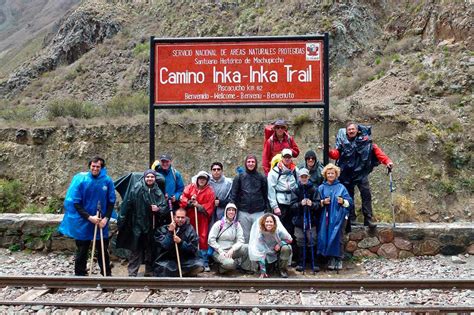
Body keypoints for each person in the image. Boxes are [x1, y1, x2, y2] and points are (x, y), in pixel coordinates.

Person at [59, 156, 116, 276]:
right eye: (93, 166)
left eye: (98, 166)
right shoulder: (81, 180)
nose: (95, 168)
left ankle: (106, 275)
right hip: (84, 220)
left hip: (101, 220)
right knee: (82, 250)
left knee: (102, 250)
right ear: (90, 166)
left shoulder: (107, 181)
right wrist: (90, 218)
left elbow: (111, 202)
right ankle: (80, 275)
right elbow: (76, 203)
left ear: (102, 168)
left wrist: (105, 219)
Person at [329, 122, 393, 228]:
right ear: (346, 132)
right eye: (349, 129)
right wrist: (329, 151)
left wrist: (387, 162)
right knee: (348, 197)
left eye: (353, 129)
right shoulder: (343, 143)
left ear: (357, 130)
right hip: (347, 174)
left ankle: (368, 219)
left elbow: (378, 152)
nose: (351, 131)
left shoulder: (366, 142)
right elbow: (336, 155)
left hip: (362, 173)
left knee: (366, 194)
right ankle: (350, 218)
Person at [116, 169, 168, 277]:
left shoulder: (158, 191)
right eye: (148, 177)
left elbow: (164, 207)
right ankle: (132, 273)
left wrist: (158, 209)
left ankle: (149, 271)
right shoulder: (136, 188)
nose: (150, 179)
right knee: (135, 250)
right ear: (144, 178)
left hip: (151, 225)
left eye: (152, 177)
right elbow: (126, 204)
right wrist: (121, 221)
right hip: (137, 225)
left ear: (155, 178)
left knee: (150, 249)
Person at [317, 163, 352, 270]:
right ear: (325, 175)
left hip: (339, 218)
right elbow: (316, 203)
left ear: (336, 174)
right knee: (327, 237)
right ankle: (331, 258)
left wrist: (343, 201)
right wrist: (323, 202)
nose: (331, 175)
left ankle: (339, 258)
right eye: (329, 173)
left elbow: (350, 203)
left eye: (332, 173)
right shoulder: (321, 188)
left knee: (339, 237)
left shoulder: (341, 187)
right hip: (326, 218)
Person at [180, 171, 215, 271]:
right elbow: (183, 198)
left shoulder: (209, 191)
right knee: (189, 237)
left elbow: (210, 205)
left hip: (202, 218)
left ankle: (204, 261)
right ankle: (189, 260)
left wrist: (199, 206)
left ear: (207, 180)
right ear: (197, 179)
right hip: (189, 217)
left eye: (204, 179)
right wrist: (189, 203)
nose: (202, 180)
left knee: (202, 238)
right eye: (200, 178)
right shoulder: (190, 187)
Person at [153, 208, 204, 277]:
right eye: (178, 217)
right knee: (163, 268)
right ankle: (181, 273)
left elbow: (193, 249)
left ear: (185, 218)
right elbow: (164, 246)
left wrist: (181, 242)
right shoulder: (164, 229)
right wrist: (170, 233)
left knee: (199, 264)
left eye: (182, 217)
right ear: (174, 217)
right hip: (168, 259)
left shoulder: (190, 229)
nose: (180, 219)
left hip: (185, 260)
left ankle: (180, 272)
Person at [230, 154, 269, 243]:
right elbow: (234, 194)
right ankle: (245, 256)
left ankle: (257, 256)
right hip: (243, 211)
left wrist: (267, 209)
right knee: (245, 236)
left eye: (253, 162)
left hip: (259, 211)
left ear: (256, 163)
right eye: (249, 162)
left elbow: (265, 194)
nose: (251, 164)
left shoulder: (262, 177)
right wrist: (233, 209)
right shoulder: (239, 177)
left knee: (258, 236)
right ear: (245, 163)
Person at [290, 168, 321, 272]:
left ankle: (315, 262)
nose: (303, 178)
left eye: (305, 176)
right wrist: (300, 204)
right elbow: (292, 206)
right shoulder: (295, 189)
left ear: (308, 177)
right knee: (300, 240)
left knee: (312, 239)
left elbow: (318, 205)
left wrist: (312, 204)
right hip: (299, 220)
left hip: (311, 219)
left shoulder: (314, 189)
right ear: (299, 177)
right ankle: (300, 262)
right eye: (301, 176)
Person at [208, 203, 251, 274]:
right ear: (226, 211)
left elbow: (241, 240)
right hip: (219, 252)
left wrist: (233, 249)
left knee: (247, 247)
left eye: (233, 210)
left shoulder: (237, 225)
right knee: (230, 264)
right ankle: (222, 267)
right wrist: (220, 250)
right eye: (229, 210)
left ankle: (245, 268)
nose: (231, 212)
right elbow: (211, 240)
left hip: (231, 251)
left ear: (235, 212)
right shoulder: (219, 224)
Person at [248, 213, 293, 278]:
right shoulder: (260, 233)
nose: (269, 224)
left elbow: (290, 239)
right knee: (267, 268)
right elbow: (259, 252)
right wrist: (263, 270)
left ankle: (282, 270)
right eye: (267, 222)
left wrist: (280, 244)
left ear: (274, 223)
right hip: (266, 253)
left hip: (278, 250)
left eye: (271, 222)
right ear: (263, 223)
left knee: (286, 248)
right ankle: (269, 268)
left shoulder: (279, 230)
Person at [268, 148, 299, 240]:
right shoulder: (275, 172)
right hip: (280, 204)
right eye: (285, 157)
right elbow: (271, 189)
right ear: (282, 158)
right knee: (279, 227)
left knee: (291, 227)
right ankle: (279, 249)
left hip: (292, 203)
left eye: (289, 157)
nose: (287, 159)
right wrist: (274, 206)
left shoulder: (295, 170)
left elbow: (299, 184)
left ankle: (291, 250)